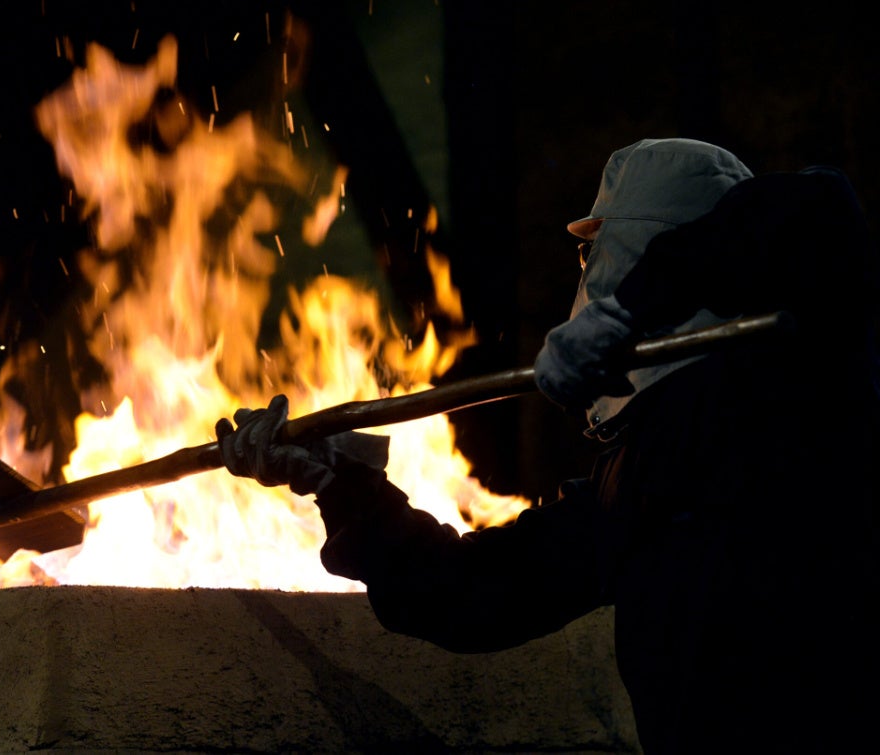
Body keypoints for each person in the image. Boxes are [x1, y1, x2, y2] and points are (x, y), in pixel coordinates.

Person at [214, 138, 879, 754]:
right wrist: (341, 484)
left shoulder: (794, 391)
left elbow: (817, 207)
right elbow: (469, 591)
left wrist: (631, 308)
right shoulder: (630, 485)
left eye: (596, 253)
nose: (585, 276)